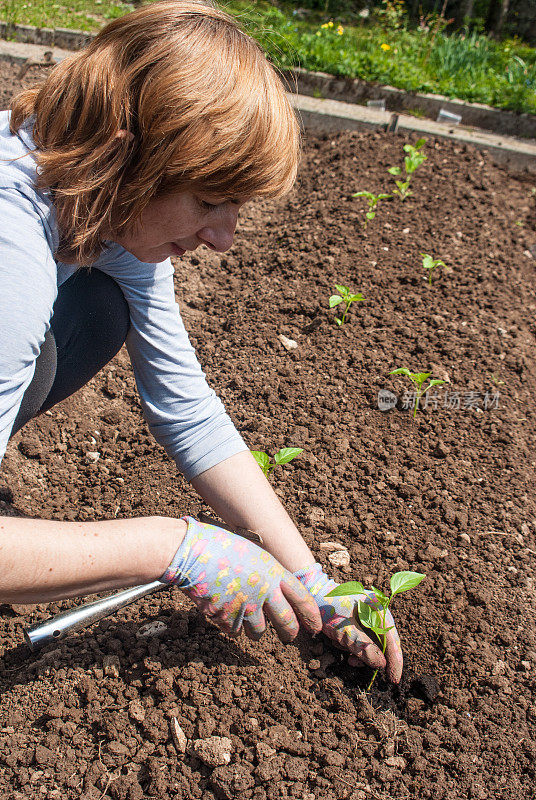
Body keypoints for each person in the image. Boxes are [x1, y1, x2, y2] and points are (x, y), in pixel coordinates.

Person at [0, 0, 403, 682]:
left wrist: (314, 583)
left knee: (97, 310)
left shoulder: (101, 199)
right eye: (210, 200)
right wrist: (171, 547)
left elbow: (186, 408)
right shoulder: (11, 250)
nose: (223, 238)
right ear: (133, 155)